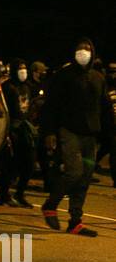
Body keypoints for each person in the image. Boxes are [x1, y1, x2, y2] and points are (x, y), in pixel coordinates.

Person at [40, 38, 114, 236]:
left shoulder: (98, 78)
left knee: (85, 178)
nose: (84, 52)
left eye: (87, 49)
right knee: (74, 172)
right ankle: (50, 204)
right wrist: (49, 132)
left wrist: (110, 135)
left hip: (90, 135)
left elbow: (105, 108)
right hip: (69, 131)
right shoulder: (64, 76)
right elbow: (51, 106)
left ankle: (75, 221)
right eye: (80, 49)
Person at [0, 59, 35, 207]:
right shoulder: (7, 87)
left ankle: (20, 193)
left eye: (25, 68)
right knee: (10, 165)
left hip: (25, 128)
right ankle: (3, 195)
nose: (23, 71)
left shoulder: (27, 87)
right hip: (12, 129)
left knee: (29, 164)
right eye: (20, 68)